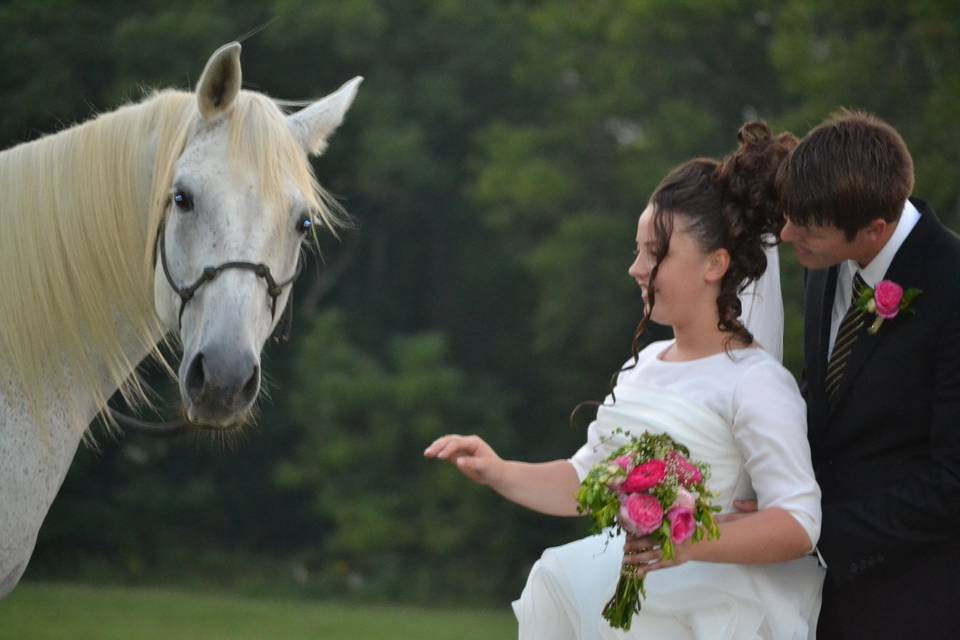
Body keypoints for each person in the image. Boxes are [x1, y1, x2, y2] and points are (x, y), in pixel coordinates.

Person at [425, 123, 825, 639]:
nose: (636, 269)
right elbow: (583, 481)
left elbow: (797, 522)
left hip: (707, 614)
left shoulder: (755, 383)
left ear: (715, 264)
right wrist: (498, 471)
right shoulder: (648, 363)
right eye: (638, 251)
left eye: (655, 253)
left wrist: (688, 544)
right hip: (621, 601)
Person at [772, 110, 960, 638]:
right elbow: (827, 394)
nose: (788, 236)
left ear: (876, 228)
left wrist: (812, 534)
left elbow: (952, 482)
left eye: (805, 228)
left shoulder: (953, 289)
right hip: (817, 593)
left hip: (916, 596)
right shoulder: (827, 261)